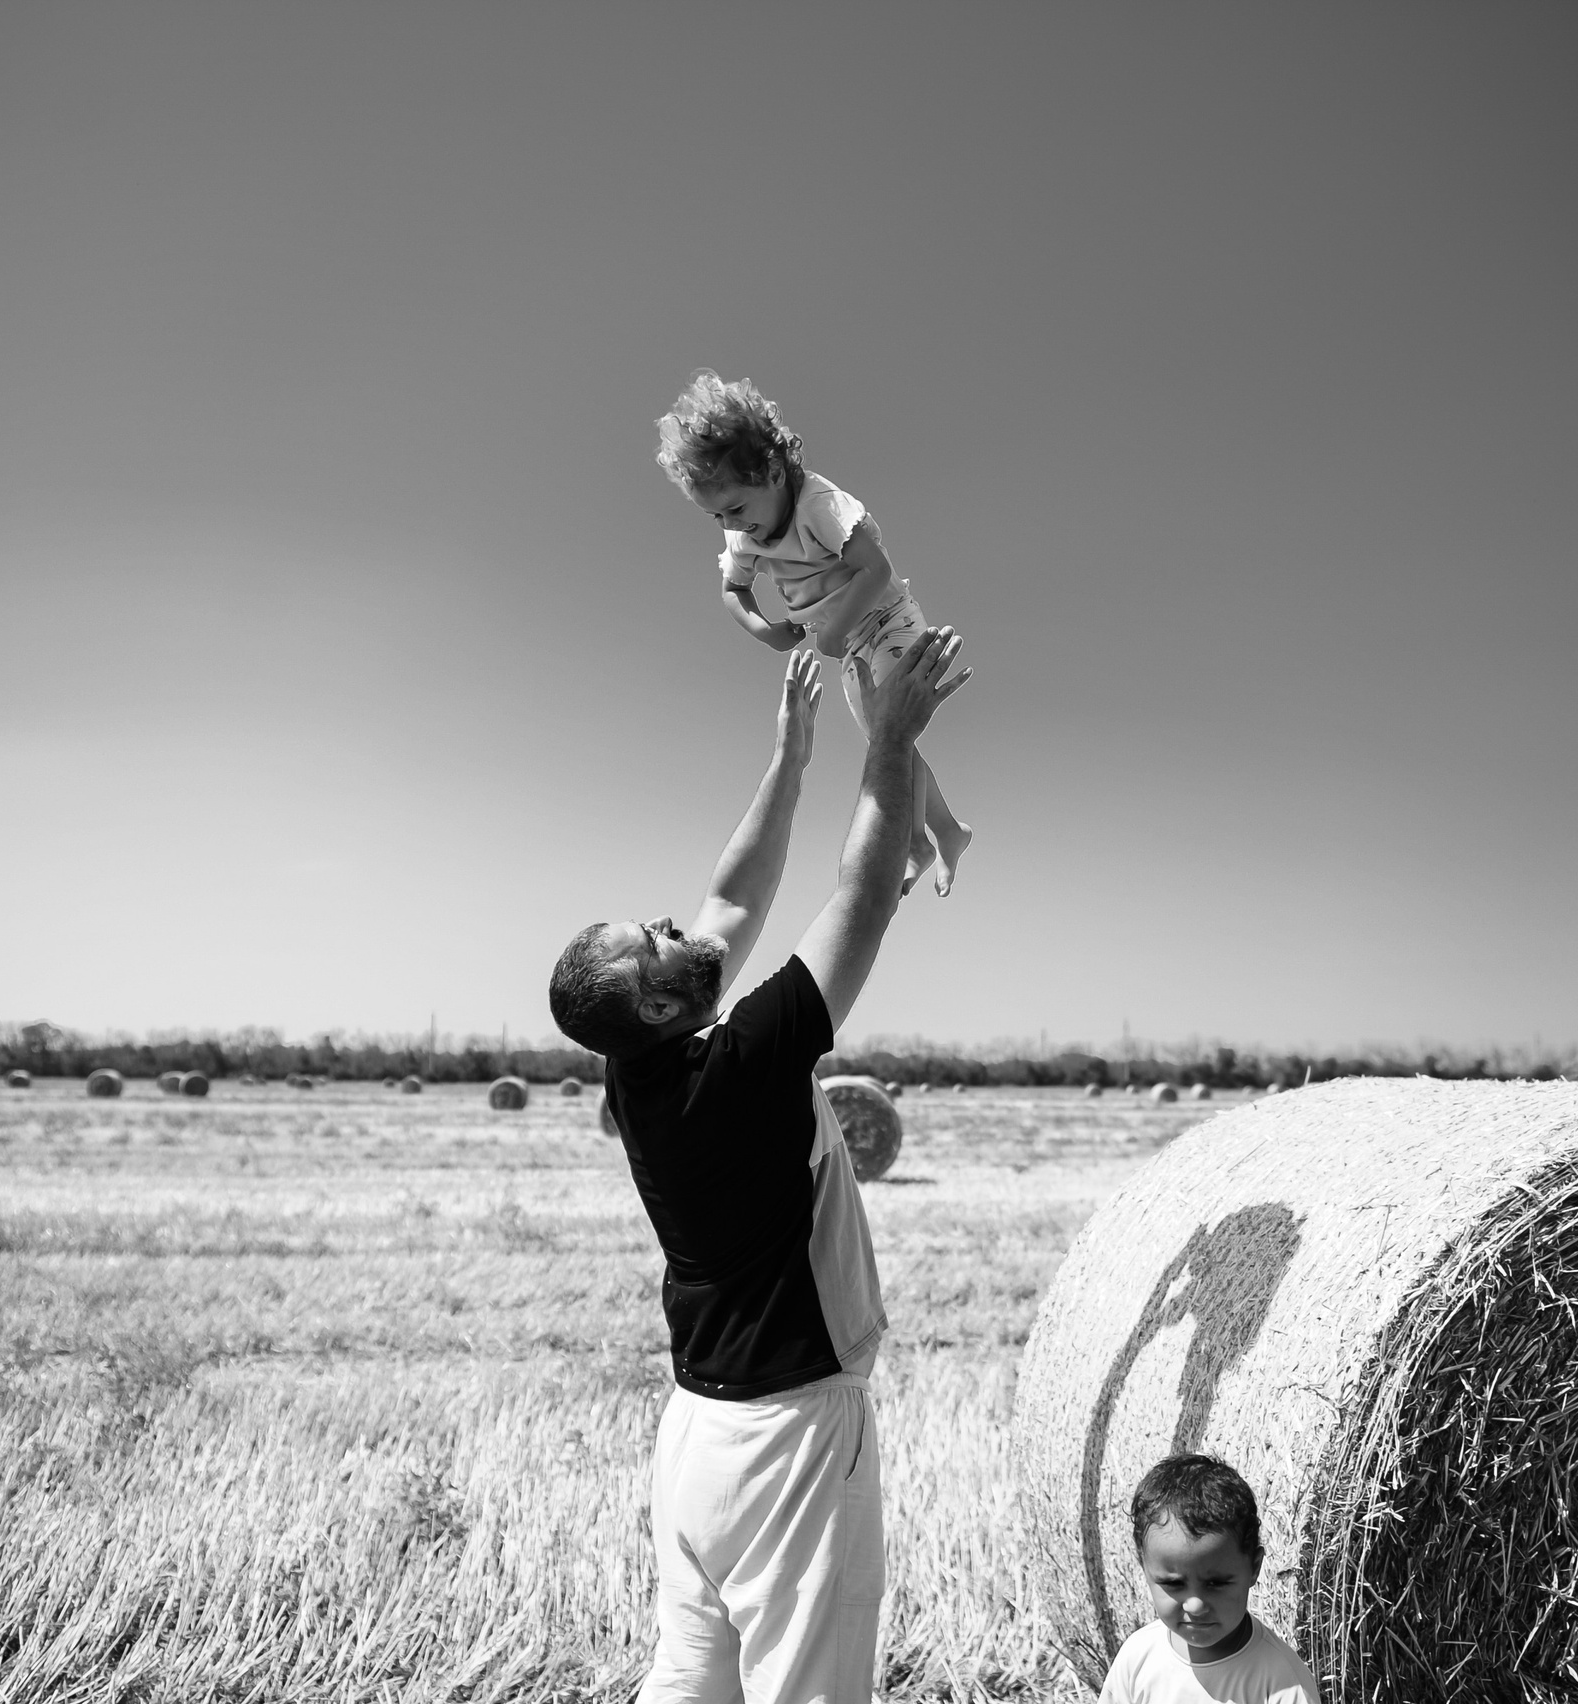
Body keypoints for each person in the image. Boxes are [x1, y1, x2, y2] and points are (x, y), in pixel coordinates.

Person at [547, 632, 971, 1704]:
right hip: (786, 1432)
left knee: (691, 1679)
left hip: (698, 1433)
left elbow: (731, 902)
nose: (667, 924)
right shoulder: (739, 1065)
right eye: (648, 940)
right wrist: (893, 739)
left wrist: (791, 760)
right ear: (654, 1002)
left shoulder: (644, 1072)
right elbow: (863, 896)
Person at [656, 369, 973, 898]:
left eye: (735, 507)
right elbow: (733, 591)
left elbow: (873, 567)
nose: (730, 525)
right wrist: (766, 631)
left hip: (887, 617)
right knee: (885, 737)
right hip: (848, 640)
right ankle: (946, 832)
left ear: (774, 472)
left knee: (893, 733)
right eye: (715, 516)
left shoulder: (818, 508)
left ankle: (916, 841)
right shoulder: (745, 536)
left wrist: (831, 635)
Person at [1100, 1454, 1321, 1704]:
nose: (1195, 1605)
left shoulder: (1282, 1682)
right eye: (1173, 1584)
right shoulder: (1137, 1657)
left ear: (1254, 1567)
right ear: (1144, 1567)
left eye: (1215, 1583)